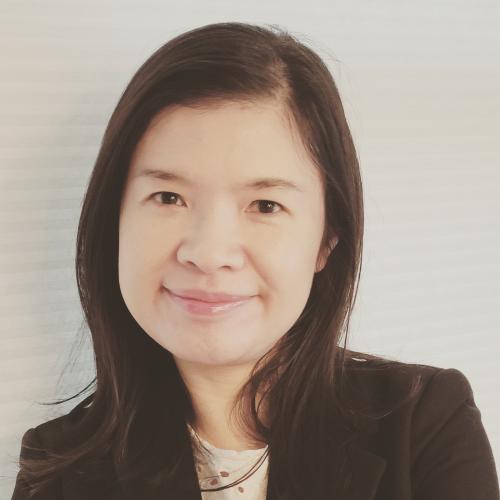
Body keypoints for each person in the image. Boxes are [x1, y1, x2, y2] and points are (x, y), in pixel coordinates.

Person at [11, 21, 499, 500]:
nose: (208, 254)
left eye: (265, 206)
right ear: (113, 220)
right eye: (168, 197)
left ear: (327, 240)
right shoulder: (56, 472)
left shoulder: (425, 425)